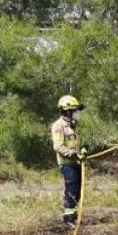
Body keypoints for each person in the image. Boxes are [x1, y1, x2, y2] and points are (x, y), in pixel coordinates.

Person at [51, 95, 87, 225]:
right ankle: (69, 218)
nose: (77, 113)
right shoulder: (58, 126)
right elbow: (58, 146)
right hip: (67, 164)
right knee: (71, 189)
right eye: (75, 110)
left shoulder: (73, 125)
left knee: (77, 190)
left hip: (76, 163)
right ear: (67, 111)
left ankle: (75, 215)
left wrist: (82, 150)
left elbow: (76, 143)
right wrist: (74, 155)